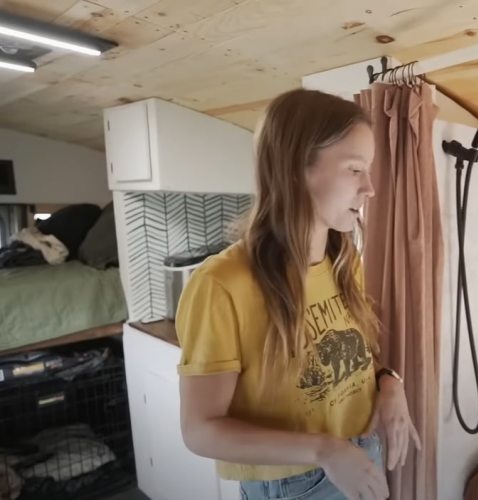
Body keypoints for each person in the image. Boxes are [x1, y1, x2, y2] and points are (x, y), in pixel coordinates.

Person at [176, 88, 420, 500]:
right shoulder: (222, 285)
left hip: (359, 454)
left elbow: (349, 360)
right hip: (299, 482)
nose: (371, 189)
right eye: (355, 169)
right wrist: (324, 449)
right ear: (295, 170)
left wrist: (389, 383)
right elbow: (201, 430)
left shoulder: (344, 264)